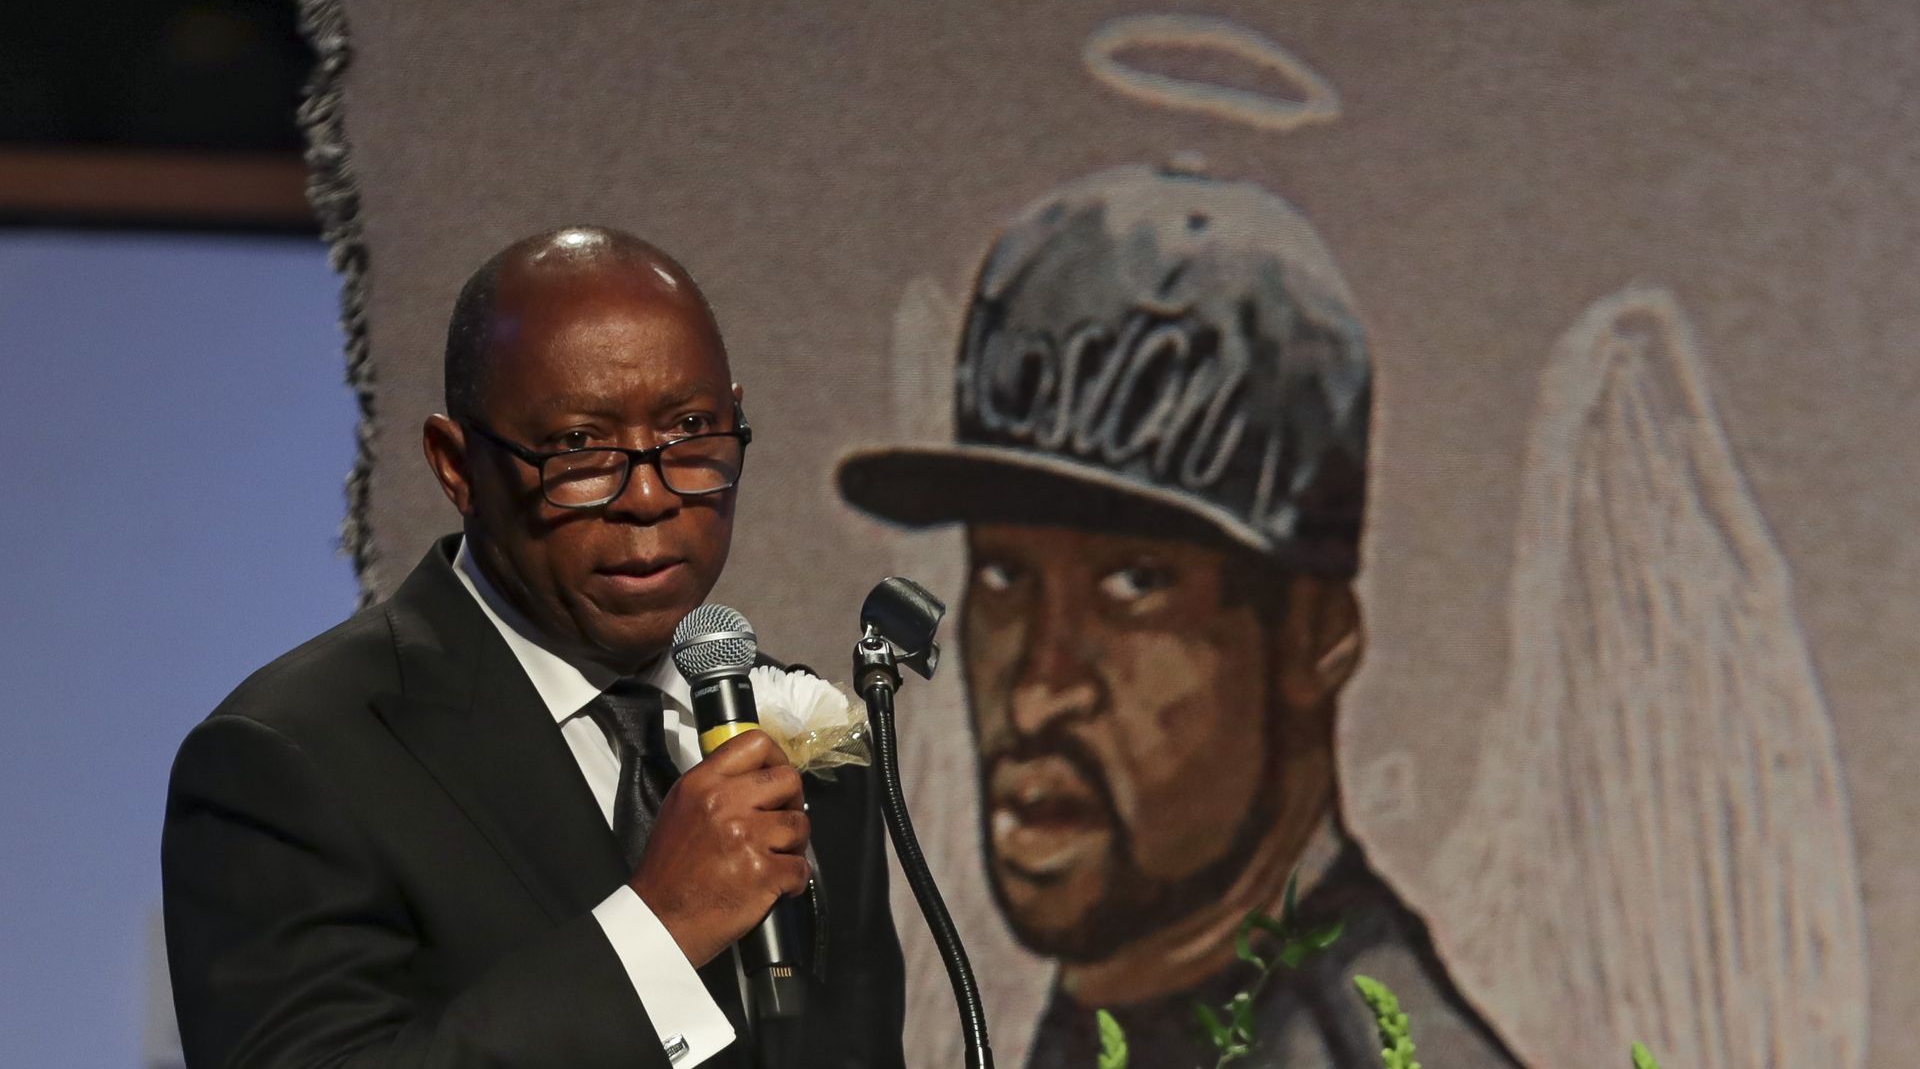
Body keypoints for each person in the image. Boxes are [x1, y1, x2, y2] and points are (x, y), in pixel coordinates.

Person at [162, 226, 906, 1069]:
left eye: (691, 429)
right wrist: (658, 932)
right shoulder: (290, 759)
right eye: (580, 447)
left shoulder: (802, 741)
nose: (650, 496)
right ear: (457, 466)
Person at [837, 165, 1518, 1067]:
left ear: (1315, 639)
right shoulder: (1130, 1010)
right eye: (1004, 574)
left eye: (1136, 584)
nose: (1040, 694)